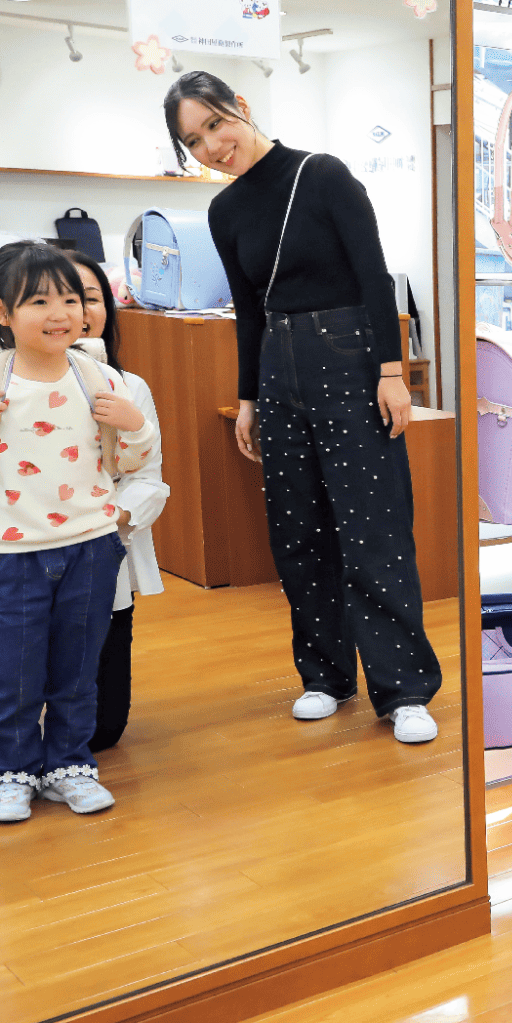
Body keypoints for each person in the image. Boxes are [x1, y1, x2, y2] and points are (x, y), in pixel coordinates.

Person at [165, 69, 442, 744]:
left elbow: (374, 277)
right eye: (193, 140)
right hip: (277, 367)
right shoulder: (223, 211)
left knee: (373, 527)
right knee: (297, 531)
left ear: (241, 107)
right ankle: (324, 675)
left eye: (215, 124)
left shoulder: (322, 175)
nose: (211, 146)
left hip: (349, 356)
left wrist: (392, 371)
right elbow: (249, 310)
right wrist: (248, 397)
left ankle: (404, 688)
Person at [0, 243, 160, 823]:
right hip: (9, 554)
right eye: (38, 302)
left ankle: (69, 766)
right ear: (2, 311)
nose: (59, 314)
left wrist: (134, 426)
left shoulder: (102, 378)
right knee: (12, 675)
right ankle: (13, 773)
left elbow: (133, 463)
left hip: (90, 549)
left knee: (78, 672)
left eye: (70, 301)